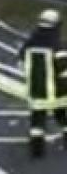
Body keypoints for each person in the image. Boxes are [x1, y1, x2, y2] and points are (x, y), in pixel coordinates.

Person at [20, 9, 67, 158]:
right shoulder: (58, 45)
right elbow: (63, 68)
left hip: (37, 90)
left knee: (37, 118)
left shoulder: (29, 43)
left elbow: (21, 63)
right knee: (62, 114)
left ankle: (37, 148)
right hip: (58, 90)